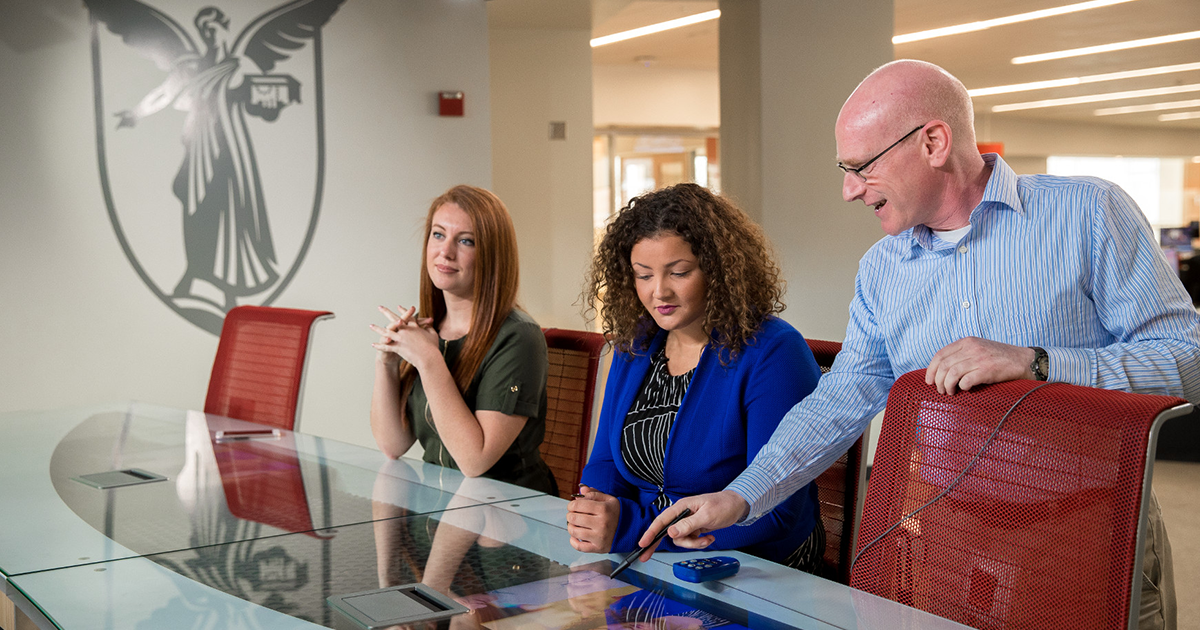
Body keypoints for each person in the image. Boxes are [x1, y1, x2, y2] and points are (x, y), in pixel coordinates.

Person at [636, 61, 1200, 629]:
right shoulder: (882, 269)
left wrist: (1037, 363)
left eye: (861, 167)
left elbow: (1188, 358)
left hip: (1088, 536)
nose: (849, 190)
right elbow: (842, 398)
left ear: (933, 141)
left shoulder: (1087, 215)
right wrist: (740, 496)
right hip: (945, 543)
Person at [567, 183, 824, 571]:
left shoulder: (773, 351)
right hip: (652, 557)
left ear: (718, 269)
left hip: (755, 572)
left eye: (679, 272)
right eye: (643, 275)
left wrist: (628, 528)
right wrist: (594, 510)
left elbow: (776, 510)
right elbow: (606, 461)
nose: (659, 292)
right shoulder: (635, 345)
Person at [370, 185, 557, 495]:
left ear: (492, 255)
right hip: (439, 508)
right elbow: (393, 445)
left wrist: (429, 361)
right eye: (438, 235)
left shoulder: (518, 337)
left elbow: (474, 461)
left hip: (506, 516)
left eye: (466, 241)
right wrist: (386, 363)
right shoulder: (429, 330)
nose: (445, 252)